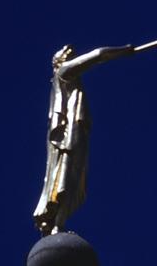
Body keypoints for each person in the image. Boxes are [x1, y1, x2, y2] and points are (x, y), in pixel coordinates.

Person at [33, 43, 134, 236]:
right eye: (68, 56)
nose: (72, 58)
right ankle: (56, 222)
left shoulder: (69, 78)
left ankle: (58, 222)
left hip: (78, 130)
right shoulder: (64, 71)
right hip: (68, 135)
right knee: (66, 173)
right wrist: (124, 50)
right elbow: (98, 55)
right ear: (60, 61)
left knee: (73, 175)